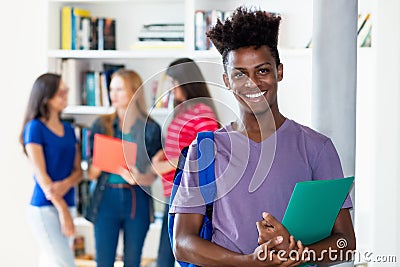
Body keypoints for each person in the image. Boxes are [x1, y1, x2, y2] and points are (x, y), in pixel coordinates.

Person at [170, 6, 356, 266]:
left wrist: (299, 254)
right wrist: (249, 262)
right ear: (226, 80)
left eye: (262, 70)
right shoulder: (205, 150)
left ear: (279, 71)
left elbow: (345, 242)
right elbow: (182, 244)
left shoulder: (316, 148)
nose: (253, 83)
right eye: (239, 74)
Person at [85, 69, 162, 267]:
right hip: (106, 198)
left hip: (136, 199)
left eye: (119, 89)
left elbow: (152, 176)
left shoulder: (151, 128)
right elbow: (92, 173)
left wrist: (137, 177)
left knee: (132, 261)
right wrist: (98, 164)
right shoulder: (101, 125)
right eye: (111, 89)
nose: (113, 94)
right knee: (103, 262)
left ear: (134, 91)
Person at [151, 58, 220, 267]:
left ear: (186, 82)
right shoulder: (182, 110)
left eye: (173, 83)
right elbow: (180, 145)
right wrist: (160, 157)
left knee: (169, 256)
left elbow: (206, 153)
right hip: (172, 195)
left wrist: (168, 164)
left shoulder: (201, 112)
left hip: (186, 197)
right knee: (166, 256)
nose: (171, 89)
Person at [20, 73, 82, 267]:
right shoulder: (35, 128)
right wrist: (62, 209)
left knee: (51, 262)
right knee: (65, 263)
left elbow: (79, 171)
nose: (65, 96)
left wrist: (66, 184)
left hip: (69, 201)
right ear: (46, 98)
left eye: (66, 91)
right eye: (60, 92)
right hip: (44, 207)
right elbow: (41, 175)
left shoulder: (69, 129)